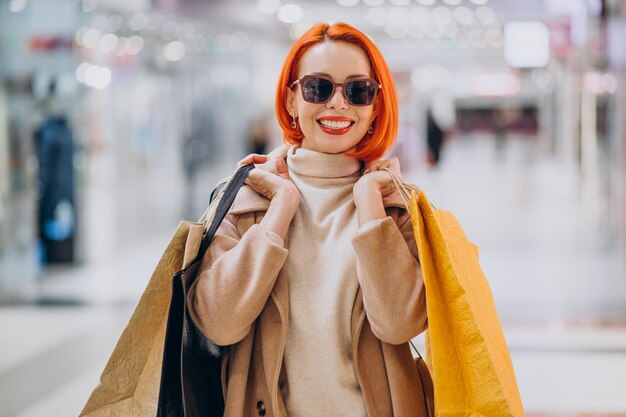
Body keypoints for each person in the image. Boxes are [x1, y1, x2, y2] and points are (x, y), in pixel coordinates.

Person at [187, 22, 427, 417]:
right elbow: (219, 323)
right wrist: (280, 210)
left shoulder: (396, 207)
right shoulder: (244, 201)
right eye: (318, 87)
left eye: (358, 90)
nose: (338, 104)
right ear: (292, 99)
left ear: (375, 107)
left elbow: (398, 323)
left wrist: (369, 202)